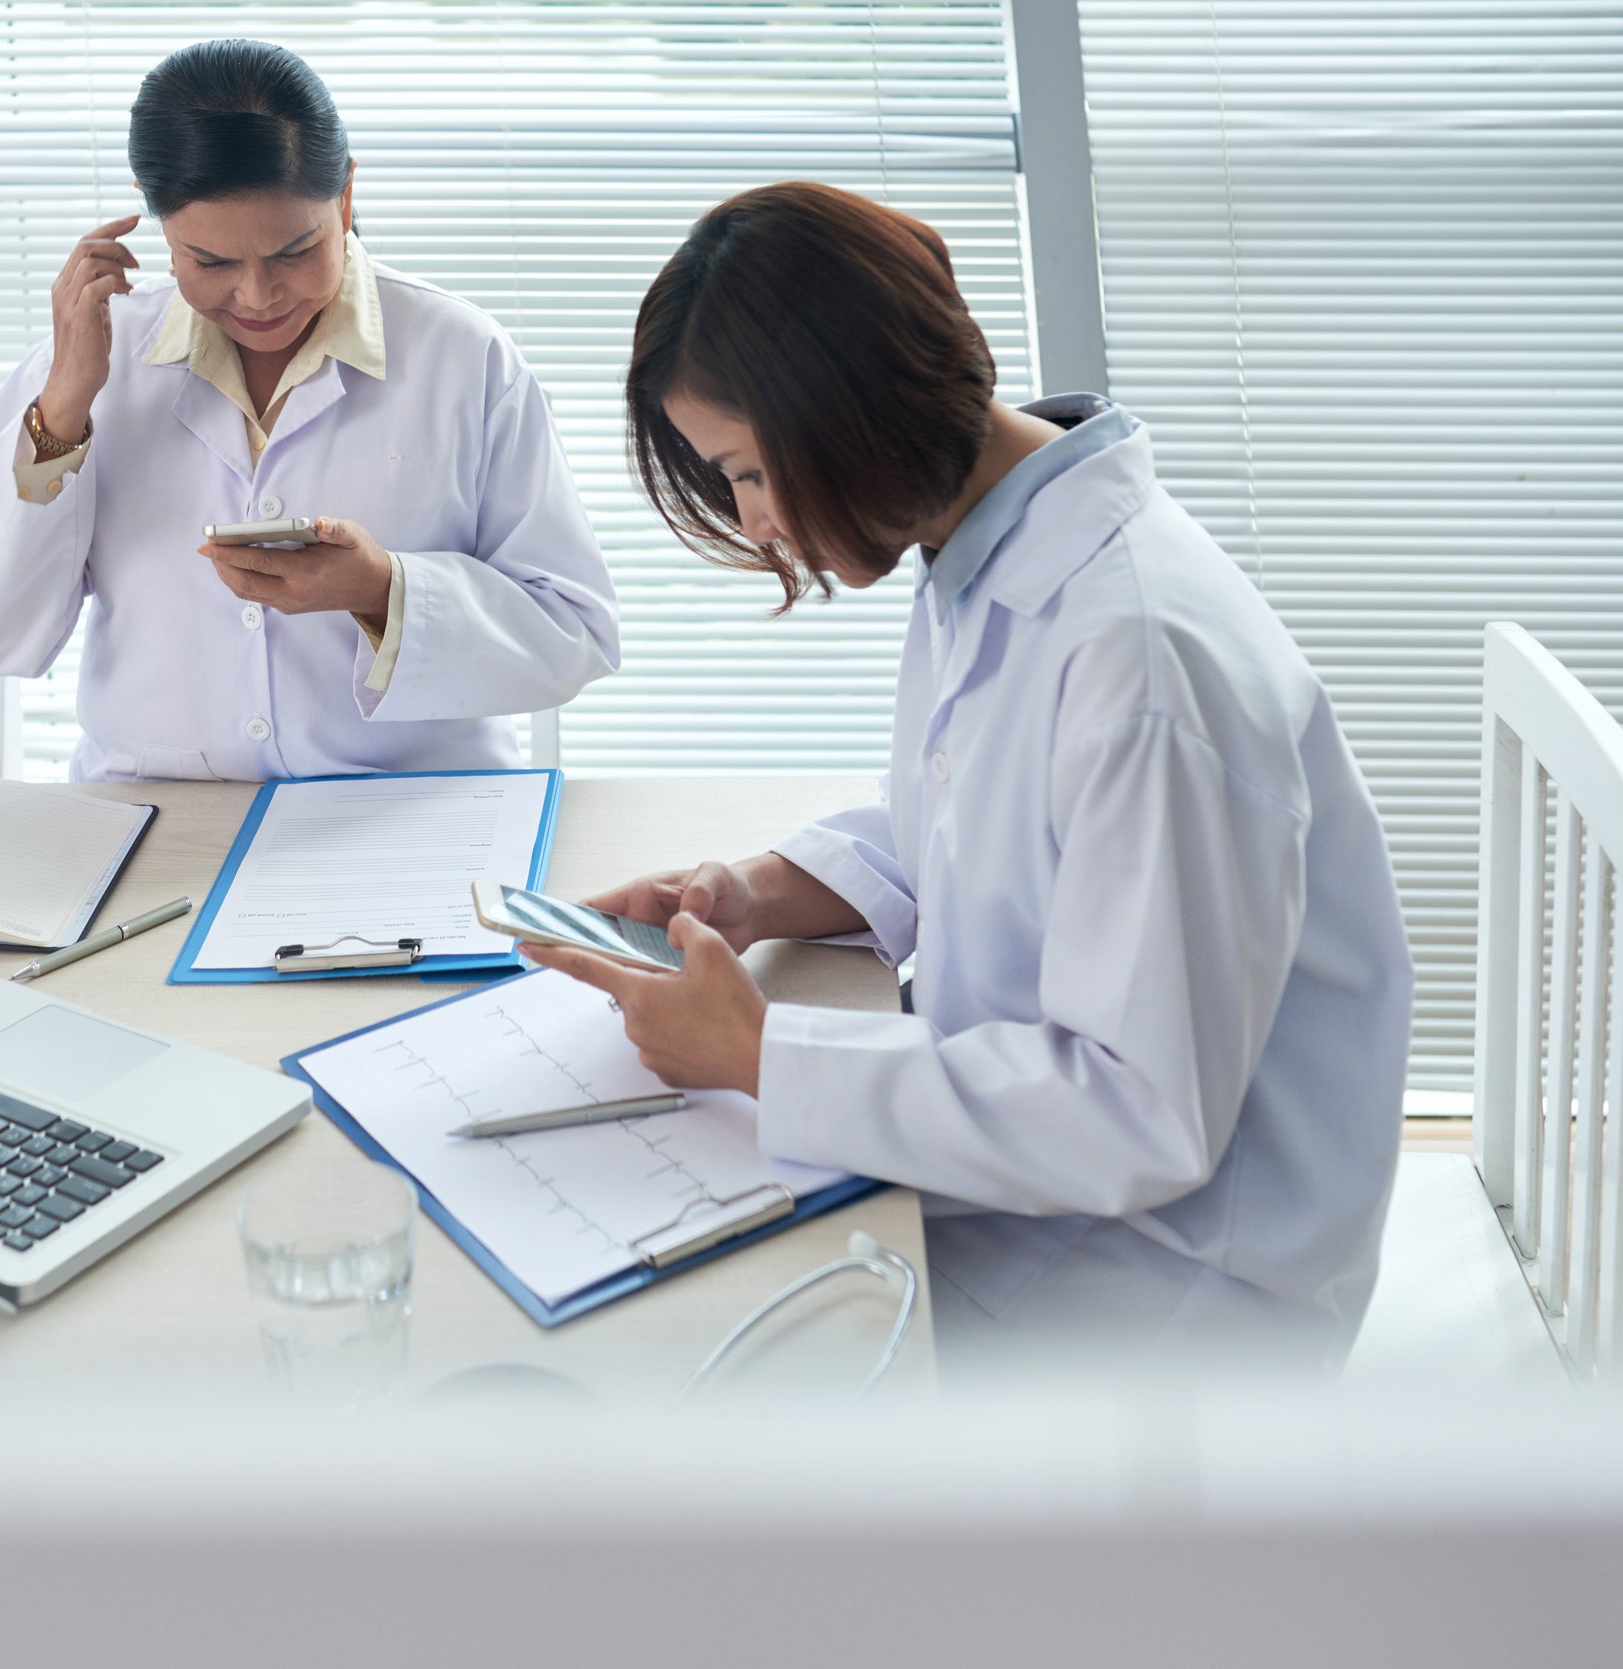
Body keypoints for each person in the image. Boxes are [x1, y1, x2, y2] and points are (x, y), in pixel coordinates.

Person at [521, 183, 1414, 1366]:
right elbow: (982, 816)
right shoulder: (989, 539)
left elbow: (1136, 1112)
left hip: (1171, 1295)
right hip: (1060, 1205)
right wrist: (758, 891)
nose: (760, 526)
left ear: (847, 410)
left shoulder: (1140, 662)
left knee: (685, 1376)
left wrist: (757, 1055)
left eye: (744, 473)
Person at [0, 40, 618, 781]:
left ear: (346, 197)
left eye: (295, 252)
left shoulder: (464, 358)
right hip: (159, 816)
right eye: (212, 262)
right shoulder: (93, 360)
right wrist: (63, 409)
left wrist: (382, 590)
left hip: (408, 811)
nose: (257, 297)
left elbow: (573, 633)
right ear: (157, 220)